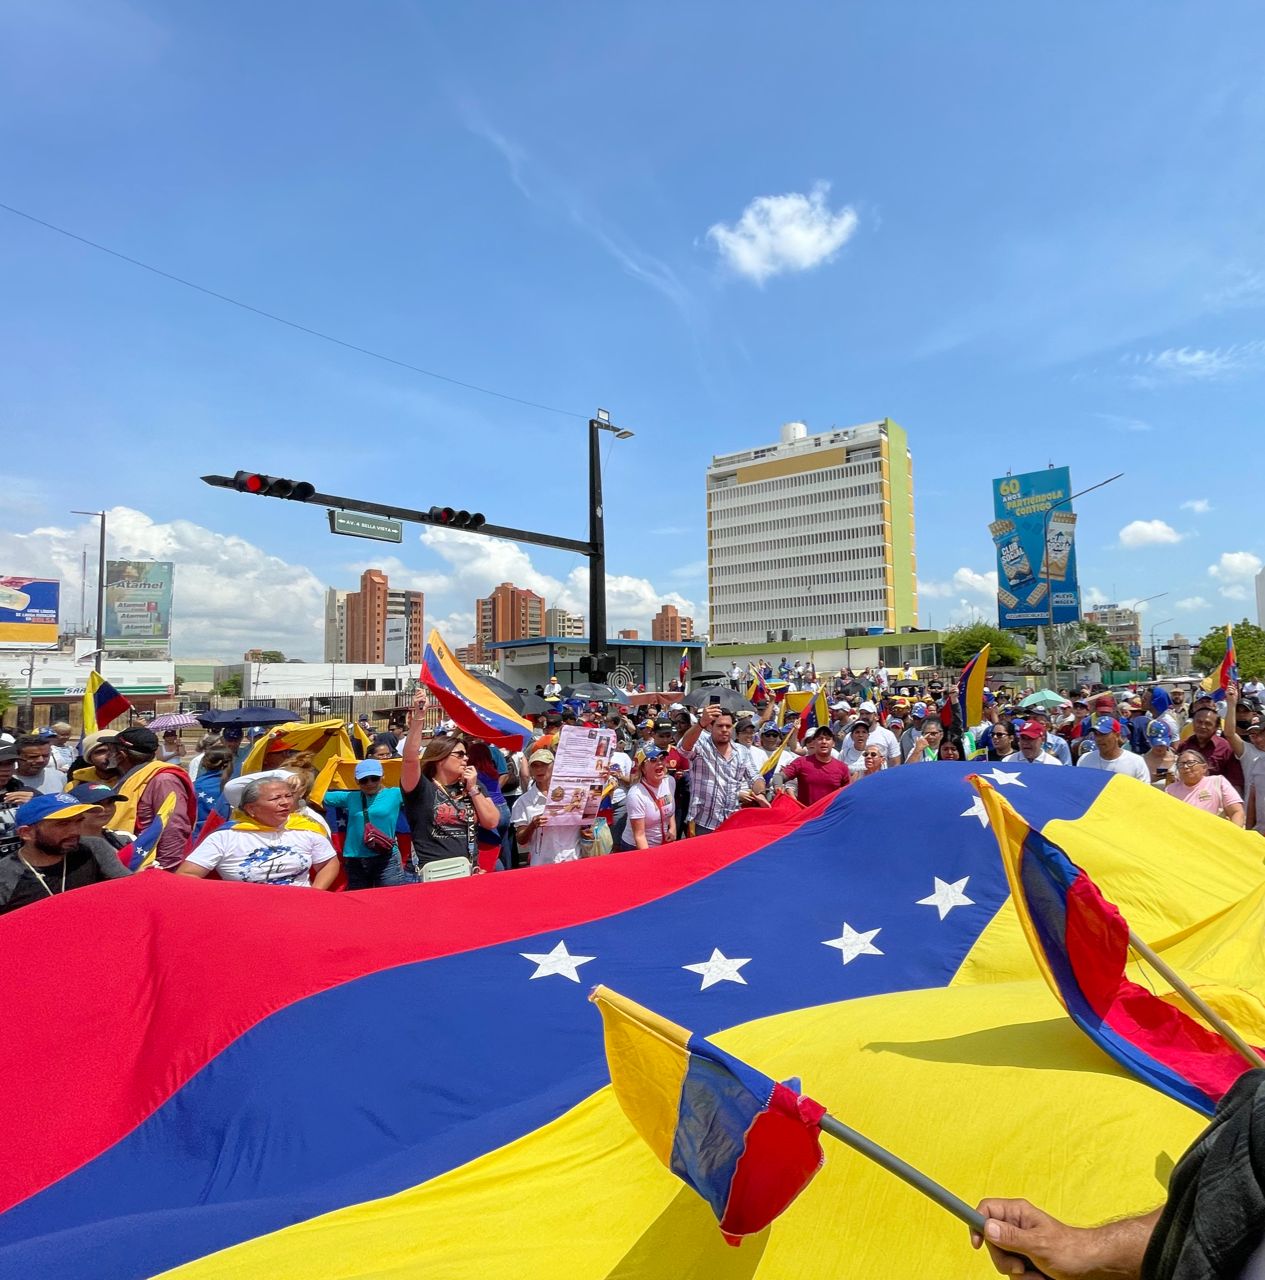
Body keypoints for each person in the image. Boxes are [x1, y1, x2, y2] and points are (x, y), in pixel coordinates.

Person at [178, 772, 340, 887]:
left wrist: (314, 893)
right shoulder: (225, 837)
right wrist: (225, 897)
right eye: (276, 798)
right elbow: (186, 875)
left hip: (299, 909)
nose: (285, 803)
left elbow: (328, 863)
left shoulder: (307, 829)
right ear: (251, 809)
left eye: (288, 796)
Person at [400, 693, 500, 870]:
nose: (466, 758)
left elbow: (491, 822)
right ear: (440, 758)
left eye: (466, 754)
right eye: (460, 754)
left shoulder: (474, 786)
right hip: (432, 874)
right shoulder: (421, 787)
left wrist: (473, 790)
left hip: (467, 870)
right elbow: (410, 759)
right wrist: (419, 716)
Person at [0, 792, 133, 915]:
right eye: (63, 824)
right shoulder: (5, 874)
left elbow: (130, 889)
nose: (75, 831)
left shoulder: (93, 847)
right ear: (26, 833)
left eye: (79, 821)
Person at [110, 727, 197, 870]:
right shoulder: (130, 777)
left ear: (121, 755)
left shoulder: (163, 780)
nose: (109, 755)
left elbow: (173, 827)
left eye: (111, 750)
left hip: (151, 866)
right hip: (128, 860)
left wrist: (165, 869)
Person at [324, 759, 413, 888]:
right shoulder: (350, 797)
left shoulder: (395, 794)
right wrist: (330, 765)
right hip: (356, 860)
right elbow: (316, 794)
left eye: (374, 778)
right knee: (360, 903)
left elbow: (419, 790)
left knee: (392, 900)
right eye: (364, 780)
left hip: (386, 858)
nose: (370, 783)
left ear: (383, 776)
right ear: (356, 781)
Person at [679, 704, 762, 836]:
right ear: (711, 726)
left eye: (728, 726)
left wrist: (761, 792)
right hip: (703, 823)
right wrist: (701, 723)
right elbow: (684, 748)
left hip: (732, 822)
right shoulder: (700, 745)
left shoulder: (742, 751)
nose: (724, 729)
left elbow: (755, 777)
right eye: (720, 726)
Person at [511, 749, 596, 865]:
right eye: (535, 766)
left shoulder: (573, 793)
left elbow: (588, 818)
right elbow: (520, 839)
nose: (539, 769)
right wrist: (532, 825)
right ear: (530, 770)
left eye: (544, 765)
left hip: (573, 859)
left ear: (554, 766)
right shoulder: (523, 802)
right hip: (543, 863)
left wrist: (587, 831)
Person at [1223, 683, 1265, 835]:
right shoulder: (1248, 752)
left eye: (1261, 734)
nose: (1257, 739)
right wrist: (1231, 703)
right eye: (1253, 735)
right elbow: (1229, 733)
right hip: (1257, 825)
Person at [1166, 750, 1246, 825]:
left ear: (1204, 767)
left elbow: (1237, 812)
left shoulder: (1217, 782)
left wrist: (1232, 836)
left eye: (1190, 763)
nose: (1186, 767)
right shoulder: (1170, 790)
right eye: (1181, 764)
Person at [777, 725, 850, 805]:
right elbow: (779, 776)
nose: (824, 741)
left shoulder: (842, 768)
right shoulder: (801, 762)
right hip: (807, 814)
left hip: (830, 815)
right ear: (814, 743)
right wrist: (778, 786)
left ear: (833, 743)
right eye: (820, 738)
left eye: (828, 739)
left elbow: (848, 795)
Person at [623, 746, 676, 849]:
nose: (659, 762)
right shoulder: (636, 795)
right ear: (643, 768)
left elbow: (669, 807)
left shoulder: (670, 782)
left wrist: (672, 827)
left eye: (662, 758)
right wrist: (649, 860)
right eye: (653, 760)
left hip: (662, 844)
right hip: (637, 847)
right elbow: (639, 836)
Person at [1076, 717, 1151, 783]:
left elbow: (1144, 792)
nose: (1098, 739)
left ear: (1117, 735)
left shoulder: (1136, 762)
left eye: (1103, 734)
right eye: (1096, 734)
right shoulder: (1085, 759)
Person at [192, 745, 235, 840]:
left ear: (204, 763)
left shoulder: (196, 785)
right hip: (228, 836)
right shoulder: (235, 786)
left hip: (199, 837)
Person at [1143, 719, 1177, 788]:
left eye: (1162, 744)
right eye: (1156, 744)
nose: (1159, 748)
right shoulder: (1141, 761)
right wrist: (1151, 779)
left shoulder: (1177, 761)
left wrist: (1175, 779)